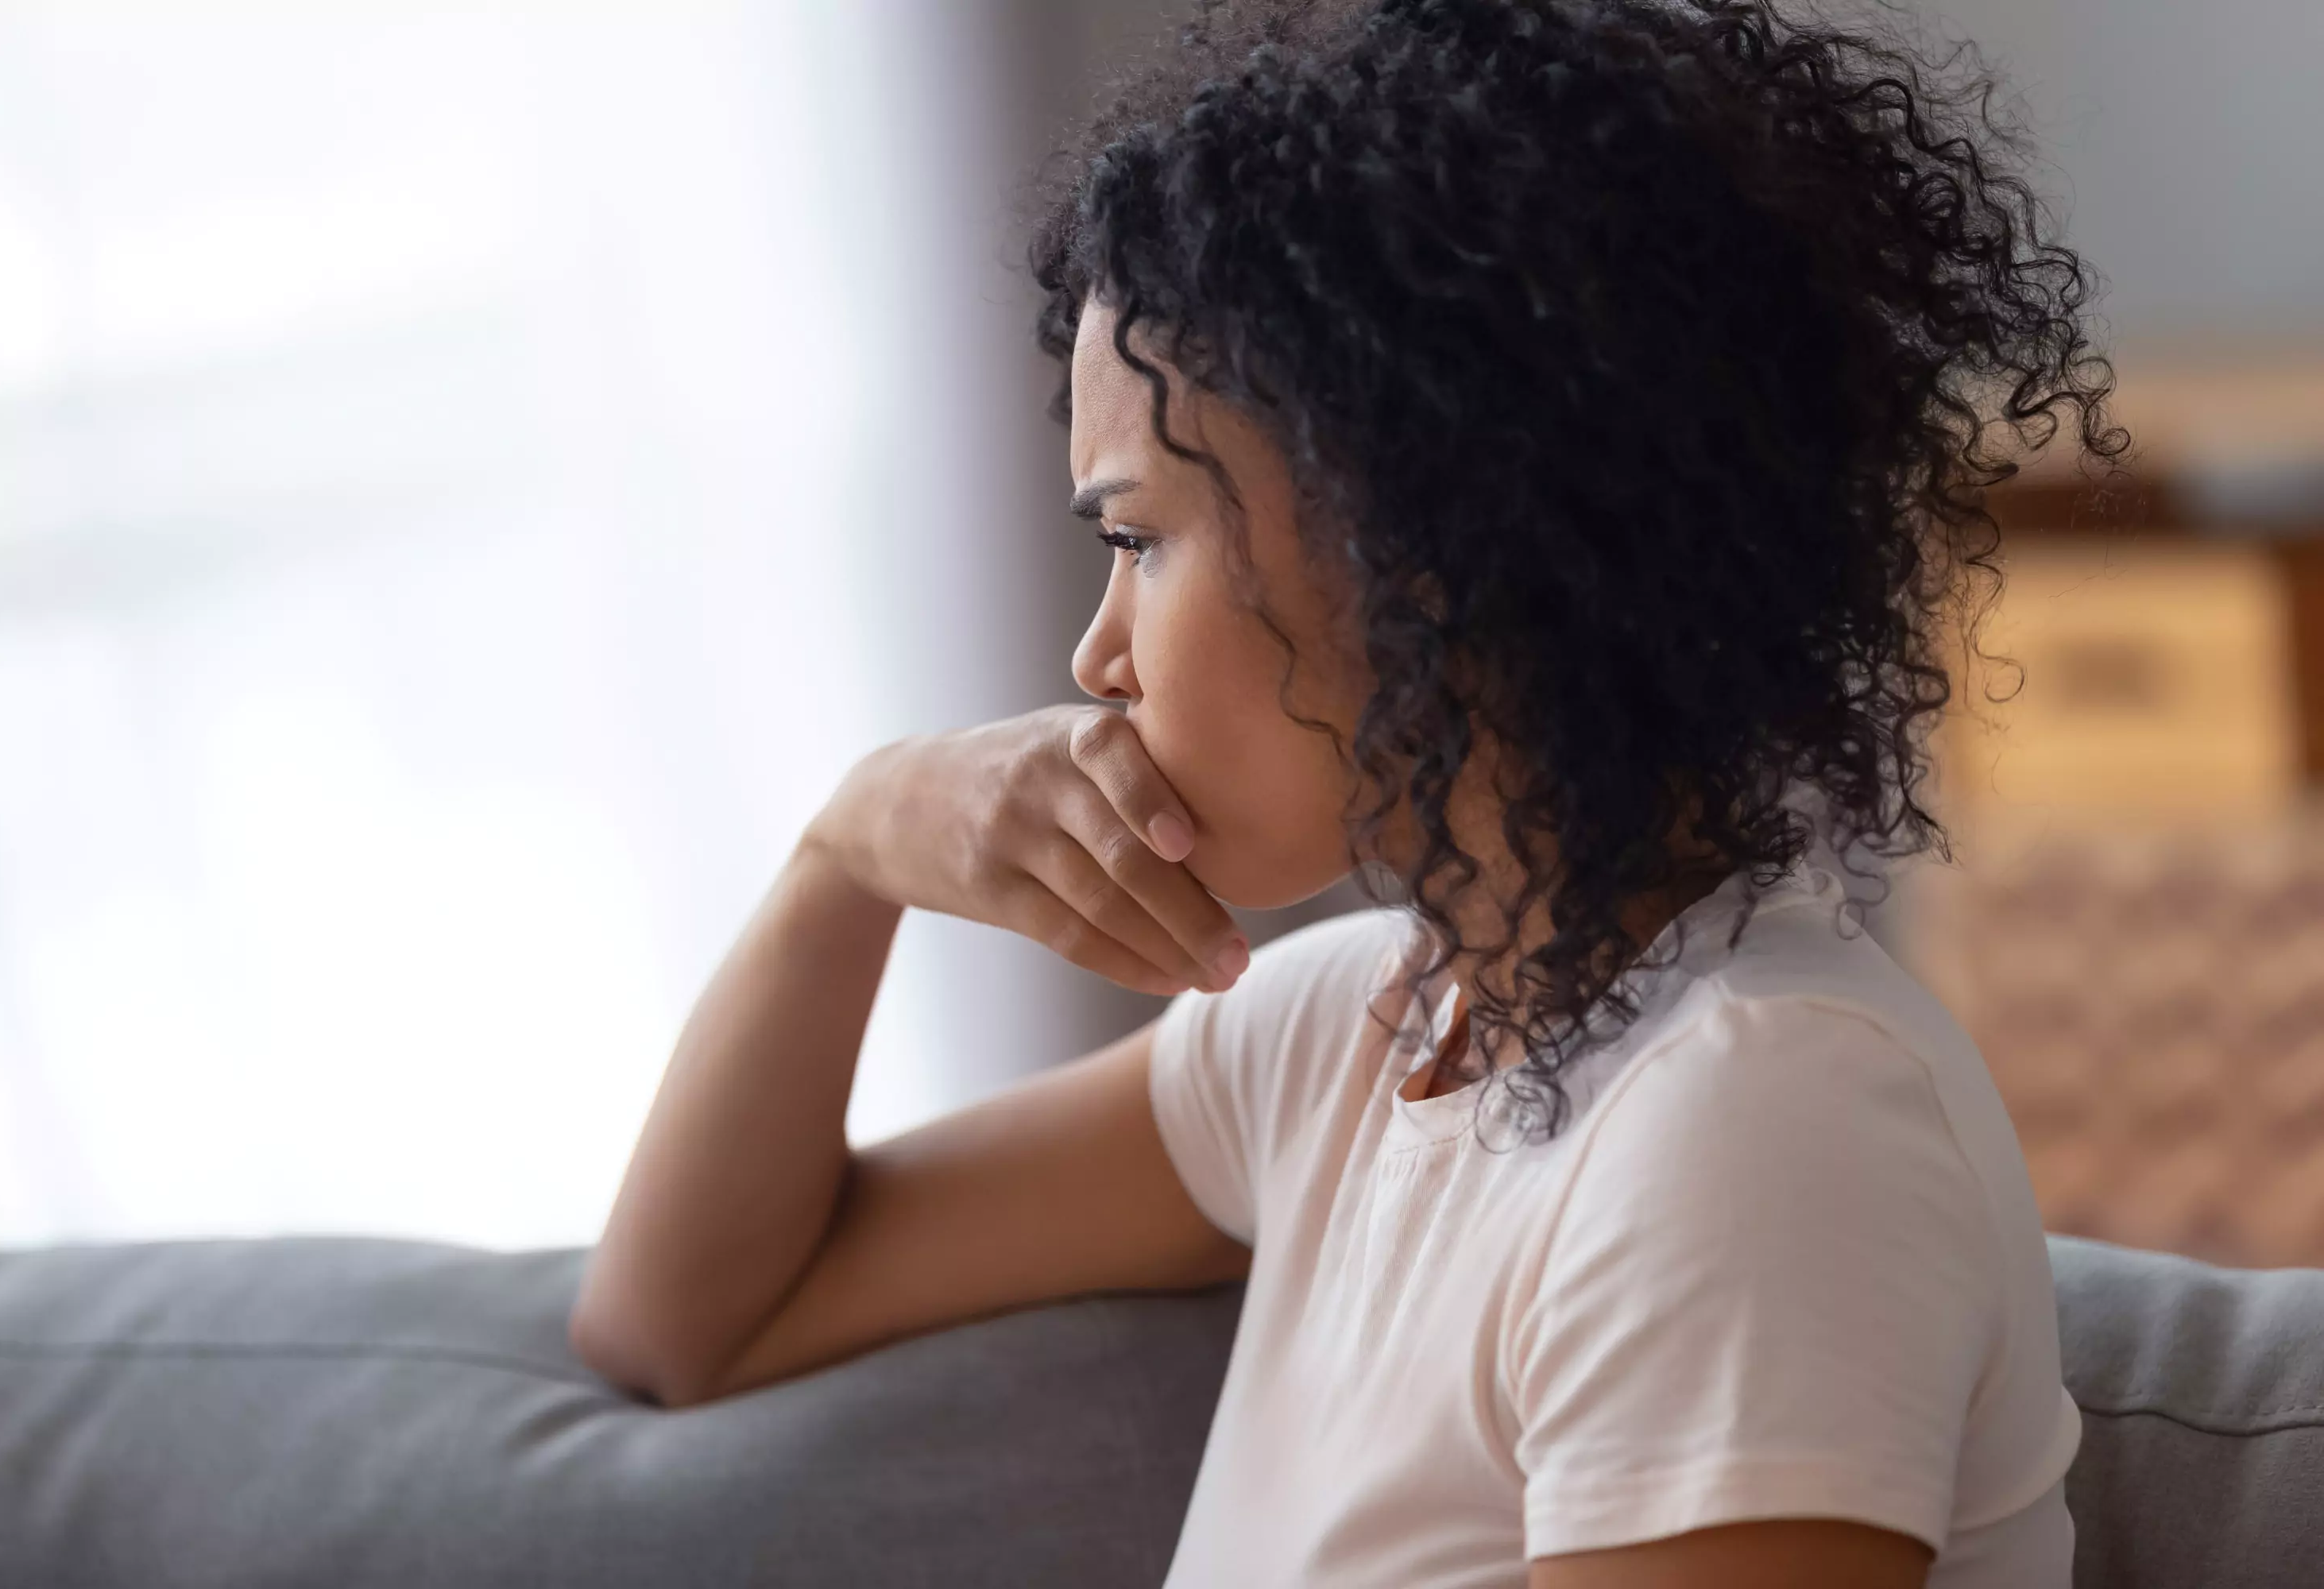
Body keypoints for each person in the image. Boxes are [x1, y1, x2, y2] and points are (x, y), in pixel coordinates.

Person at [570, 1, 2132, 1583]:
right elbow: (682, 1319)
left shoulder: (1756, 1116)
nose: (1094, 654)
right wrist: (857, 842)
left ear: (1424, 536)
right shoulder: (1354, 1035)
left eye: (1136, 539)